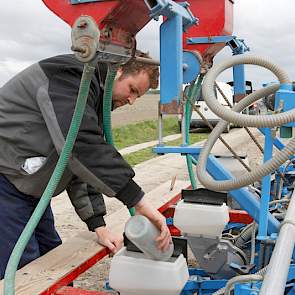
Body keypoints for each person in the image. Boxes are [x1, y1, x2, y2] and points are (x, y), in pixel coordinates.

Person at [0, 51, 171, 279]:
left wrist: (97, 224)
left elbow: (79, 167)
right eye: (132, 90)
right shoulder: (68, 77)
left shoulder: (92, 95)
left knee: (52, 254)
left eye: (137, 97)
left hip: (29, 189)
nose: (131, 101)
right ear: (117, 70)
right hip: (6, 184)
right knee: (24, 269)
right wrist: (138, 202)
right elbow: (81, 147)